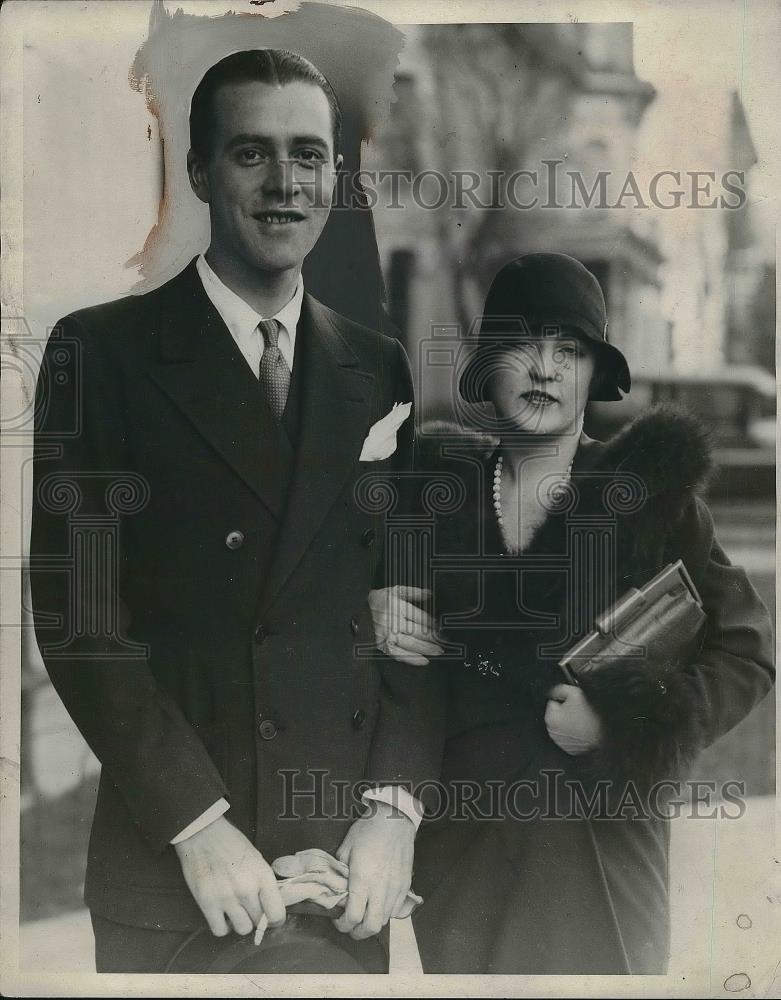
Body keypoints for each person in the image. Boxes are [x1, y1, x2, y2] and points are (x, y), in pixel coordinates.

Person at [29, 49, 444, 973]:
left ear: (335, 172)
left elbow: (411, 610)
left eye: (309, 154)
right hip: (180, 867)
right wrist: (194, 823)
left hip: (343, 873)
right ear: (200, 173)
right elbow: (78, 618)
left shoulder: (374, 367)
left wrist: (393, 808)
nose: (285, 182)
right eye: (252, 154)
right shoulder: (102, 353)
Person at [369, 252, 774, 973]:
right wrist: (369, 612)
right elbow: (313, 600)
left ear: (594, 373)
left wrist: (622, 718)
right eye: (522, 345)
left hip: (602, 853)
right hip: (468, 858)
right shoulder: (431, 491)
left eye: (570, 351)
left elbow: (747, 650)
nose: (545, 369)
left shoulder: (648, 496)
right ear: (487, 366)